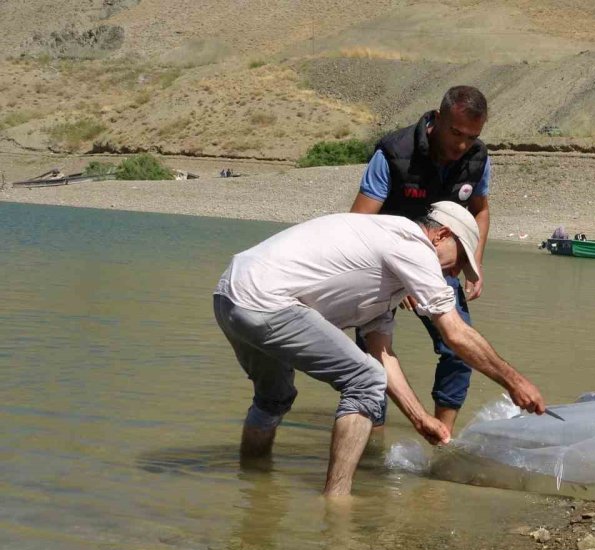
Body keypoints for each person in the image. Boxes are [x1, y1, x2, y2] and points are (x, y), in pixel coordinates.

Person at [213, 201, 546, 498]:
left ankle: (253, 484)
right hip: (266, 300)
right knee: (364, 381)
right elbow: (455, 333)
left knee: (274, 398)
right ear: (441, 234)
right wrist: (515, 382)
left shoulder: (389, 275)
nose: (456, 273)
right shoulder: (411, 243)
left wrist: (420, 419)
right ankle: (337, 502)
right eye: (459, 260)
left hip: (230, 296)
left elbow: (382, 354)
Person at [350, 85, 492, 432]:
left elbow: (481, 211)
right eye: (455, 133)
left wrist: (474, 261)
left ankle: (442, 437)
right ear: (438, 117)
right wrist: (403, 274)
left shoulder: (476, 157)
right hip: (380, 266)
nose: (462, 145)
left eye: (471, 136)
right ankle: (373, 440)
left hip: (437, 264)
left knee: (460, 349)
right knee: (372, 361)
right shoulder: (394, 153)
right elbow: (357, 224)